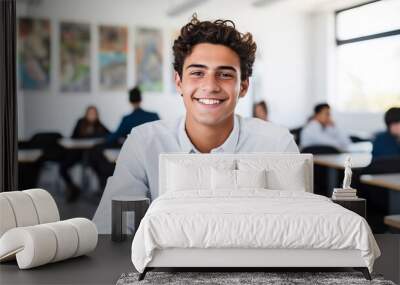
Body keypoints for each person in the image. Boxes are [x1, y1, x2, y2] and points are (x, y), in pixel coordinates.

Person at [93, 15, 299, 233]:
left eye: (225, 74)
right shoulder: (144, 143)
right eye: (198, 73)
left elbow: (299, 231)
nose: (210, 86)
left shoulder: (277, 146)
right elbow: (110, 232)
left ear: (244, 87)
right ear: (179, 82)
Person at [60, 106, 109, 202]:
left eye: (94, 113)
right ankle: (73, 187)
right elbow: (73, 137)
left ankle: (103, 190)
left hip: (91, 156)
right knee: (63, 168)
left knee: (100, 167)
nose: (92, 115)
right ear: (86, 114)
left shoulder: (99, 125)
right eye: (90, 113)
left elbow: (108, 135)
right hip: (76, 153)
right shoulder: (80, 122)